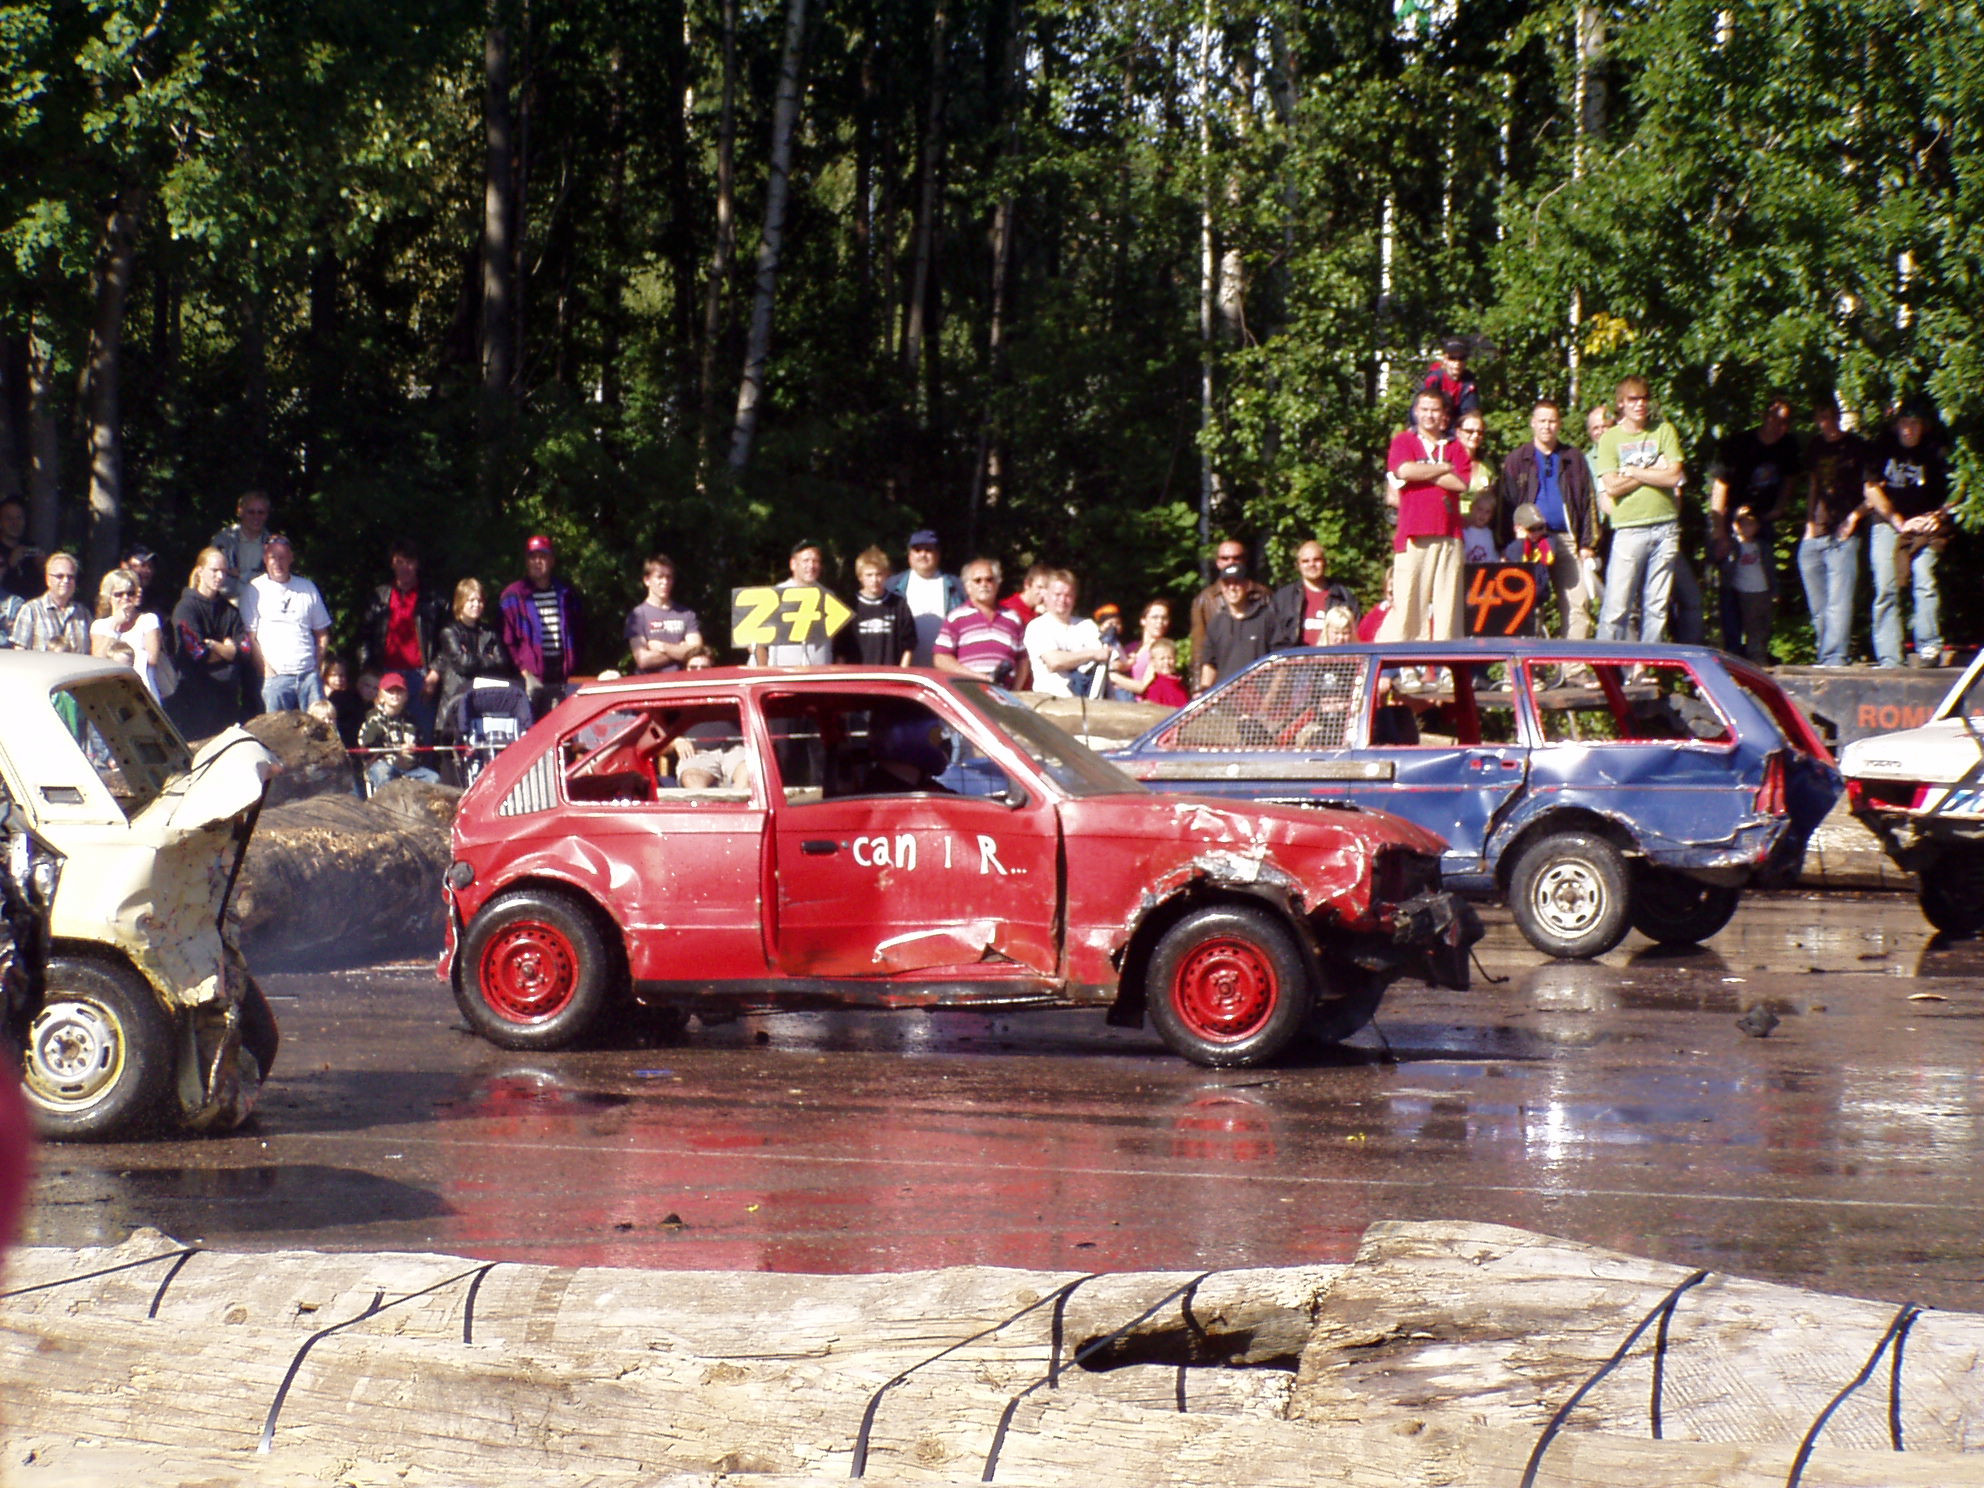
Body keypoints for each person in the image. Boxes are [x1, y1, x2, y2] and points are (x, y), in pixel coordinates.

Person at [1593, 376, 1687, 644]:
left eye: (1644, 398)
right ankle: (1605, 667)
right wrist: (1650, 470)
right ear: (1621, 404)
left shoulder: (1664, 430)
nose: (1640, 404)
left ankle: (1644, 667)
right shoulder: (1610, 438)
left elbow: (1673, 476)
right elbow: (1611, 486)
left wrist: (1632, 472)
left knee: (1657, 606)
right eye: (1633, 399)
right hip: (1629, 529)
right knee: (1617, 605)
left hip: (1666, 526)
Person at [1497, 400, 1601, 639]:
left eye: (1552, 421)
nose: (1547, 426)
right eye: (1542, 421)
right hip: (1528, 541)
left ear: (1559, 424)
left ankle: (1573, 669)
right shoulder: (1517, 460)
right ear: (1533, 423)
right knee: (1527, 607)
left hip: (1566, 539)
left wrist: (1588, 544)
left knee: (1578, 604)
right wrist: (1505, 545)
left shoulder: (1573, 458)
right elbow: (1506, 504)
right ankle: (1530, 671)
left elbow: (1588, 502)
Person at [1863, 399, 1955, 668]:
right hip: (1889, 521)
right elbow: (1870, 489)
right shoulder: (1882, 447)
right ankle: (1890, 658)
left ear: (1923, 426)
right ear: (1896, 425)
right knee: (1885, 587)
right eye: (1904, 422)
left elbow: (1956, 490)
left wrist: (1938, 516)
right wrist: (1898, 521)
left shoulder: (1935, 450)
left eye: (1914, 423)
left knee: (1925, 580)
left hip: (1926, 524)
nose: (1909, 429)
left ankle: (1929, 647)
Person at [1708, 396, 1802, 651]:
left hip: (1762, 524)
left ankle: (1758, 649)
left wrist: (1778, 509)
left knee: (1762, 587)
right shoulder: (1740, 444)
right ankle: (1732, 649)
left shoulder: (1788, 447)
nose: (1776, 425)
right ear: (1764, 417)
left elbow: (1790, 479)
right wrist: (1720, 531)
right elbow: (1720, 487)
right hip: (1731, 523)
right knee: (1729, 589)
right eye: (1773, 418)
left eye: (1783, 421)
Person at [1380, 388, 1470, 642]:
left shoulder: (1455, 446)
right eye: (1424, 409)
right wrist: (1441, 468)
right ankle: (1408, 666)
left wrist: (1423, 471)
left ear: (1443, 415)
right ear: (1416, 412)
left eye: (1435, 410)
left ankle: (1447, 666)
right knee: (1409, 602)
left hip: (1449, 535)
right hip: (1412, 534)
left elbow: (1460, 483)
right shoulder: (1404, 441)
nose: (1429, 415)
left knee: (1448, 604)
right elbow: (1404, 470)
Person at [1798, 397, 1868, 667]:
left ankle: (1835, 657)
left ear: (1837, 416)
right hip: (1817, 530)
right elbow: (1813, 484)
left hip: (1844, 531)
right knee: (1819, 603)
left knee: (1839, 600)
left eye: (1828, 416)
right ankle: (1825, 652)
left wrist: (1854, 518)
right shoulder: (1816, 446)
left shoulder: (1856, 446)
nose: (1824, 422)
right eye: (1819, 417)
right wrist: (1808, 524)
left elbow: (1872, 488)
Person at [361, 538, 446, 738]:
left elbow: (446, 640)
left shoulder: (434, 599)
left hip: (421, 676)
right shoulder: (380, 596)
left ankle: (424, 770)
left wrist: (434, 673)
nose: (404, 567)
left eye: (409, 562)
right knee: (384, 735)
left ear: (417, 564)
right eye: (400, 562)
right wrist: (367, 672)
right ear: (392, 563)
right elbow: (365, 636)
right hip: (386, 674)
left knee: (421, 734)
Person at [240, 533, 333, 713]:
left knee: (319, 731)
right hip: (276, 678)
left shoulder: (307, 588)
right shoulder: (254, 589)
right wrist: (266, 672)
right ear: (265, 559)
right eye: (273, 557)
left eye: (282, 557)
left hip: (308, 677)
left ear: (291, 558)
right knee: (276, 736)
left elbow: (322, 634)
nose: (278, 562)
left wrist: (316, 666)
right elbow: (250, 638)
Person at [168, 548, 252, 739]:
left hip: (228, 699)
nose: (220, 576)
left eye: (224, 571)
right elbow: (197, 653)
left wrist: (215, 646)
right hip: (195, 698)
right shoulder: (186, 608)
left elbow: (245, 650)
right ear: (200, 571)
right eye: (214, 570)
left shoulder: (229, 610)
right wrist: (229, 651)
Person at [501, 534, 586, 712]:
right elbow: (507, 641)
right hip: (530, 676)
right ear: (526, 561)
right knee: (531, 729)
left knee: (561, 727)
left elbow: (579, 632)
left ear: (552, 560)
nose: (537, 562)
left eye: (543, 556)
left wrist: (573, 666)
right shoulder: (513, 595)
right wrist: (523, 671)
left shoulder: (566, 593)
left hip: (561, 674)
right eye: (533, 557)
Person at [433, 577, 517, 739]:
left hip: (483, 701)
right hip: (456, 700)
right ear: (460, 602)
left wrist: (474, 659)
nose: (476, 605)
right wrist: (487, 658)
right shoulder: (449, 632)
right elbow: (462, 664)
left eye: (479, 600)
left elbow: (502, 663)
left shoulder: (489, 632)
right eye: (471, 600)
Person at [933, 557, 1027, 687]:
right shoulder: (956, 618)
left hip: (1006, 696)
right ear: (968, 587)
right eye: (978, 580)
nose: (984, 584)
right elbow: (941, 658)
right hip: (970, 693)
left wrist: (1017, 691)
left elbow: (1023, 659)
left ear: (997, 583)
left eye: (989, 579)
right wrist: (975, 677)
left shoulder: (1013, 619)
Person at [1024, 570, 1112, 698]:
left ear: (1074, 598)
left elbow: (1104, 659)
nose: (1062, 600)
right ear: (1046, 594)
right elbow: (1054, 662)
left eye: (1068, 595)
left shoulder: (1087, 626)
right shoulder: (1038, 627)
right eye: (1057, 594)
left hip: (1090, 703)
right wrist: (1092, 654)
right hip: (1050, 702)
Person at [884, 529, 965, 667]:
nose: (923, 554)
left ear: (938, 554)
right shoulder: (892, 586)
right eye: (917, 550)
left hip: (945, 670)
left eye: (928, 550)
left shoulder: (957, 587)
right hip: (904, 669)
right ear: (909, 555)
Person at [1188, 537, 1270, 669]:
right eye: (1225, 558)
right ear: (1218, 562)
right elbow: (1199, 649)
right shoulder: (1204, 600)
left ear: (1244, 561)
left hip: (1258, 677)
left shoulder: (1264, 594)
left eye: (1236, 558)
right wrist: (1199, 687)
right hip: (1222, 678)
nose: (1231, 562)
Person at [753, 540, 834, 666]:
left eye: (815, 561)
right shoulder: (776, 595)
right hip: (784, 678)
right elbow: (757, 644)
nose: (811, 566)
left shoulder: (829, 596)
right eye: (806, 561)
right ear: (793, 564)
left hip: (821, 678)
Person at [357, 674, 442, 791]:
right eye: (390, 692)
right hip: (383, 766)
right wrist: (397, 750)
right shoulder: (373, 720)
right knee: (383, 771)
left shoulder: (411, 721)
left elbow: (421, 748)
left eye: (399, 691)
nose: (395, 695)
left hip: (410, 769)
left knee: (433, 778)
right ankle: (387, 806)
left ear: (406, 696)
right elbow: (365, 750)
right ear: (381, 695)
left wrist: (414, 750)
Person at [1199, 561, 1276, 691]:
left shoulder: (1267, 618)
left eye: (1237, 582)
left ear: (1247, 585)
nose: (1232, 588)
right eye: (1227, 583)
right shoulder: (1216, 623)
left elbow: (1279, 664)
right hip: (1226, 700)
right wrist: (1202, 693)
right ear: (1222, 588)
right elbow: (1209, 664)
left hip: (1260, 699)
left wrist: (1268, 702)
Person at [90, 570, 167, 698]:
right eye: (119, 594)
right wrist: (115, 626)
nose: (125, 598)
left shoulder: (148, 620)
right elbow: (97, 661)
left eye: (130, 593)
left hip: (144, 691)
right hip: (111, 692)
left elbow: (152, 658)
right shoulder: (100, 626)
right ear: (109, 597)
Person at [1270, 542, 1360, 649]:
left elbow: (1356, 635)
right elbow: (1274, 638)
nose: (1311, 564)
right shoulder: (1283, 598)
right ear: (1298, 566)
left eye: (1317, 560)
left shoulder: (1344, 597)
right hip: (1294, 663)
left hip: (1334, 661)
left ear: (1325, 562)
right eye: (1305, 561)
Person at [838, 546, 917, 665]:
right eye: (869, 575)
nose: (874, 580)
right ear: (860, 577)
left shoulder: (898, 604)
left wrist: (903, 672)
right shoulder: (850, 605)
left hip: (890, 676)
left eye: (879, 574)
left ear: (886, 575)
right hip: (857, 676)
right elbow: (840, 648)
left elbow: (909, 645)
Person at [625, 553, 702, 673]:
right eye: (659, 577)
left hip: (682, 684)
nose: (665, 582)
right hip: (651, 686)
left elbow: (696, 651)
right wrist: (681, 650)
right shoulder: (638, 615)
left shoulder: (686, 614)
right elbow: (643, 659)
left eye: (669, 577)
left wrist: (663, 647)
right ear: (647, 580)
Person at [1722, 506, 1773, 663]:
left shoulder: (1762, 546)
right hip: (1744, 592)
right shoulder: (1732, 546)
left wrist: (1774, 590)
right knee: (1752, 627)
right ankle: (1756, 659)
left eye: (1750, 524)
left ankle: (1762, 655)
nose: (1746, 528)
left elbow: (1770, 569)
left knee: (1765, 626)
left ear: (1757, 526)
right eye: (1742, 524)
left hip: (1762, 590)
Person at [11, 553, 89, 653]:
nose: (66, 580)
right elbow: (20, 653)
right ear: (48, 579)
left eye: (70, 577)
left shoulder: (83, 613)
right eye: (60, 576)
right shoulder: (31, 610)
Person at [212, 490, 274, 599]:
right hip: (226, 605)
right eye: (251, 512)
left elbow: (274, 580)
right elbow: (218, 579)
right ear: (240, 511)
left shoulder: (273, 545)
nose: (256, 517)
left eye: (261, 512)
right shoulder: (224, 541)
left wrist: (240, 575)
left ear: (267, 515)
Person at [1112, 598, 1179, 695]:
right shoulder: (1130, 648)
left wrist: (1113, 676)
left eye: (1164, 618)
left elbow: (1142, 687)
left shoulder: (1162, 651)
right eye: (1155, 617)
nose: (1160, 622)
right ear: (1143, 621)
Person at [1418, 337, 1481, 430]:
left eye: (1461, 358)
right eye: (1452, 358)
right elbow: (1420, 410)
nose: (1457, 363)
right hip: (1431, 426)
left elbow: (1469, 412)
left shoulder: (1469, 382)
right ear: (1445, 359)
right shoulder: (1434, 379)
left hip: (1457, 429)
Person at [0, 498, 42, 600]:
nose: (15, 523)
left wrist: (44, 568)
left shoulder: (30, 547)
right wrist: (10, 564)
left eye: (19, 518)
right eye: (9, 518)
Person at [999, 563, 1052, 631]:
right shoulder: (1010, 609)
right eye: (1039, 587)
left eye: (1047, 589)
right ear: (1027, 585)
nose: (1043, 593)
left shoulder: (1041, 611)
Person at [1138, 638, 1190, 707]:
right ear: (1153, 661)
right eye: (1162, 659)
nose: (1166, 662)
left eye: (1170, 658)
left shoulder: (1181, 685)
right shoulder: (1154, 687)